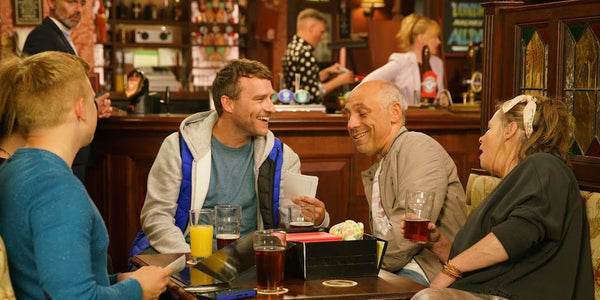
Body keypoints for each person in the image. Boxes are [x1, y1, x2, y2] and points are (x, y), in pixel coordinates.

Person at [0, 52, 171, 299]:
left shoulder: (13, 168)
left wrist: (117, 283)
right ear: (80, 109)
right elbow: (76, 297)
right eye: (92, 100)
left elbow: (46, 277)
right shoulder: (57, 189)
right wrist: (138, 289)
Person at [135, 58, 330, 255]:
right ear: (228, 103)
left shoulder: (281, 155)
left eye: (271, 98)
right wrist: (187, 263)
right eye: (260, 99)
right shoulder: (178, 147)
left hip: (252, 265)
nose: (272, 108)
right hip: (187, 261)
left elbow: (293, 219)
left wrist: (318, 218)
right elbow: (156, 217)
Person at [411, 95, 594, 299]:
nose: (481, 138)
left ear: (510, 130)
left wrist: (450, 270)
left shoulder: (545, 167)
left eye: (490, 128)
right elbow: (492, 260)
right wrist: (439, 245)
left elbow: (517, 235)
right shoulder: (520, 180)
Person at [338, 80, 466, 286]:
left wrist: (357, 262)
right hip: (396, 270)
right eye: (348, 115)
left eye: (362, 113)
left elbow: (408, 236)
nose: (351, 124)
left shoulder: (418, 147)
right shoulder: (385, 160)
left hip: (427, 273)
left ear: (394, 112)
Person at [23, 0, 112, 181]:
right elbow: (47, 101)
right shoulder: (42, 37)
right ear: (51, 2)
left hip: (71, 153)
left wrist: (94, 106)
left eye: (82, 3)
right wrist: (92, 106)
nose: (78, 9)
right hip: (57, 153)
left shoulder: (60, 36)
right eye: (71, 1)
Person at [362, 13, 450, 107]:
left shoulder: (437, 64)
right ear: (421, 38)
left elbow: (438, 95)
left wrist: (442, 99)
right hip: (407, 118)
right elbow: (368, 82)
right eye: (434, 37)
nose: (439, 41)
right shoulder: (401, 62)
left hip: (433, 119)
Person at [281, 8, 356, 104]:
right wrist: (340, 80)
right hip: (305, 111)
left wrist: (326, 72)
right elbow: (312, 94)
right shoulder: (304, 53)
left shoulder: (294, 47)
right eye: (321, 32)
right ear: (311, 28)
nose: (323, 37)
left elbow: (304, 80)